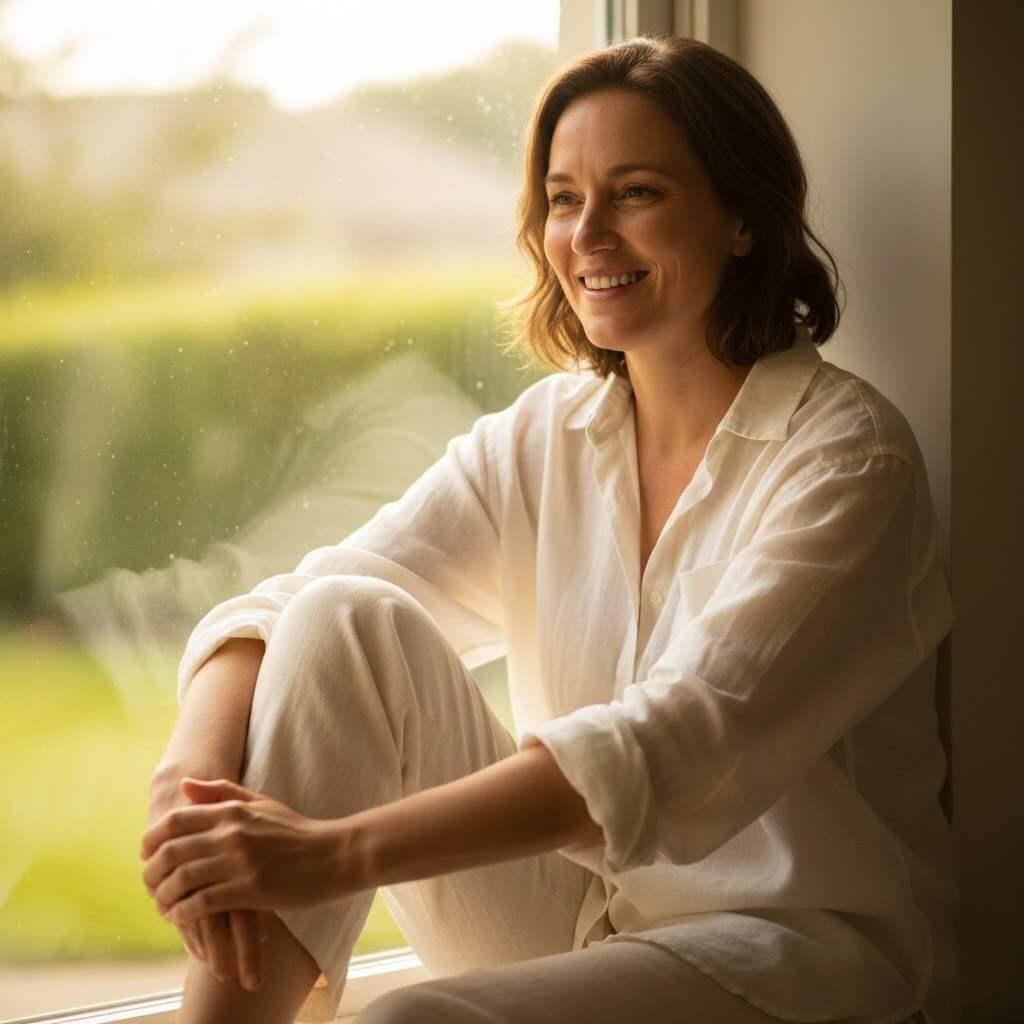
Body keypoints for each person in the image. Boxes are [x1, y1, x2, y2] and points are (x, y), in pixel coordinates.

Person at [140, 35, 953, 1024]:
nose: (588, 234)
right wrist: (187, 780)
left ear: (742, 217)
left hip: (788, 955)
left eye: (637, 192)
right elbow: (293, 603)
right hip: (589, 914)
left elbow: (673, 745)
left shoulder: (848, 462)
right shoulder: (546, 436)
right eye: (565, 199)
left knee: (408, 1021)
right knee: (341, 617)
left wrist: (333, 851)